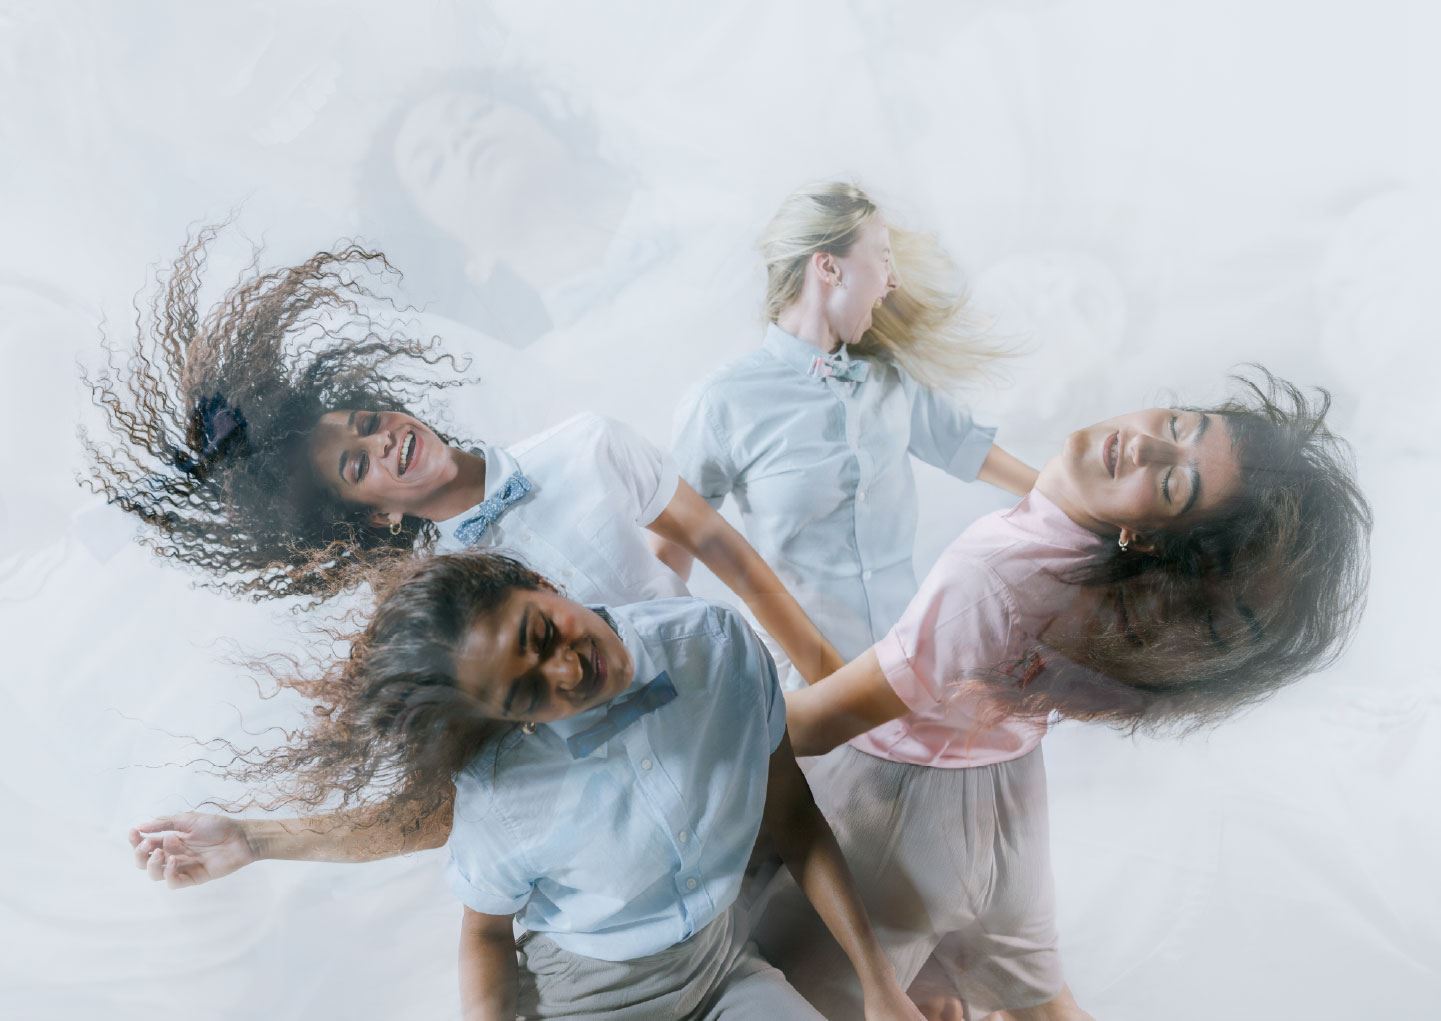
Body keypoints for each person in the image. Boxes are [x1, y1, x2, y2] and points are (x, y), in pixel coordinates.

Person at [99, 228, 842, 867]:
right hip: (656, 809)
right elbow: (444, 806)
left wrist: (827, 677)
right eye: (356, 466)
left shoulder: (585, 446)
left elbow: (722, 549)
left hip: (748, 710)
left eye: (367, 421)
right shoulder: (443, 608)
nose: (379, 441)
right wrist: (255, 839)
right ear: (376, 517)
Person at [763, 371, 1372, 1021]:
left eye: (1171, 484)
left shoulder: (989, 580)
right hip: (1006, 801)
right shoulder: (1089, 577)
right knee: (1045, 1005)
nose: (1145, 445)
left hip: (900, 808)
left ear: (1146, 538)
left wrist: (706, 703)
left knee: (782, 989)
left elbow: (816, 724)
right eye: (1177, 424)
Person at [157, 551, 926, 1021]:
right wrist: (254, 837)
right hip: (588, 998)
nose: (567, 669)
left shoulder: (715, 645)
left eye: (542, 631)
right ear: (508, 718)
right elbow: (485, 932)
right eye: (529, 690)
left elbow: (792, 813)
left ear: (540, 582)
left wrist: (880, 985)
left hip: (722, 964)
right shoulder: (499, 792)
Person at [668, 181, 1037, 689]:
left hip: (908, 675)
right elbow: (669, 555)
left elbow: (973, 453)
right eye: (882, 258)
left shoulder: (890, 382)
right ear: (829, 267)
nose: (893, 280)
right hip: (800, 690)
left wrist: (1090, 508)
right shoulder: (721, 403)